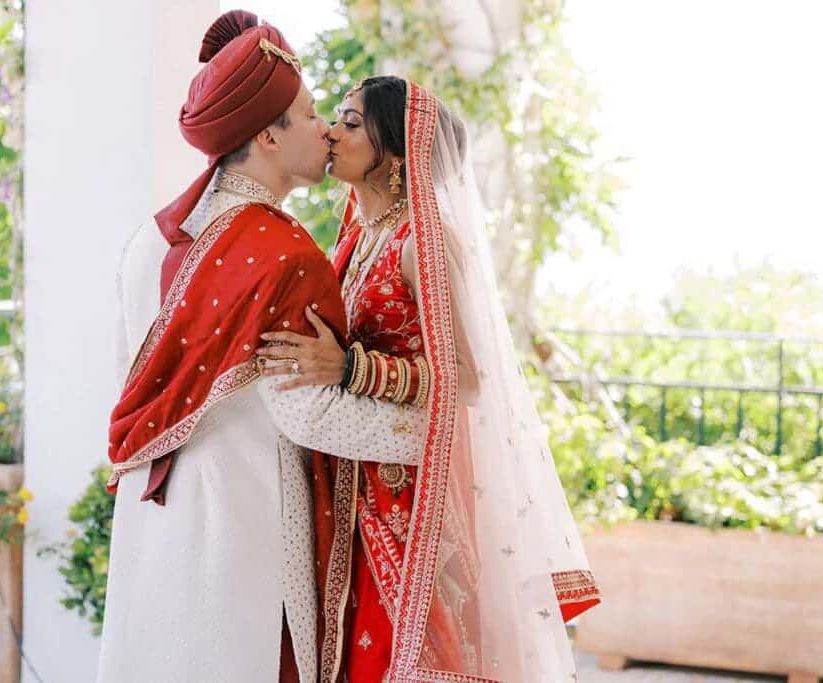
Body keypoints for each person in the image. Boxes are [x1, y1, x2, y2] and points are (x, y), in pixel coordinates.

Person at [98, 16, 426, 683]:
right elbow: (314, 417)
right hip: (240, 528)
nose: (327, 130)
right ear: (269, 134)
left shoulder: (149, 242)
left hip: (152, 518)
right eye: (310, 115)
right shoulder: (282, 253)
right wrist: (437, 434)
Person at [257, 76, 602, 682]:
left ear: (395, 149)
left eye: (353, 122)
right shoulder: (359, 238)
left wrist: (351, 367)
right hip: (351, 479)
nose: (333, 132)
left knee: (404, 655)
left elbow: (467, 380)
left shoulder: (425, 241)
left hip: (408, 496)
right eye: (334, 117)